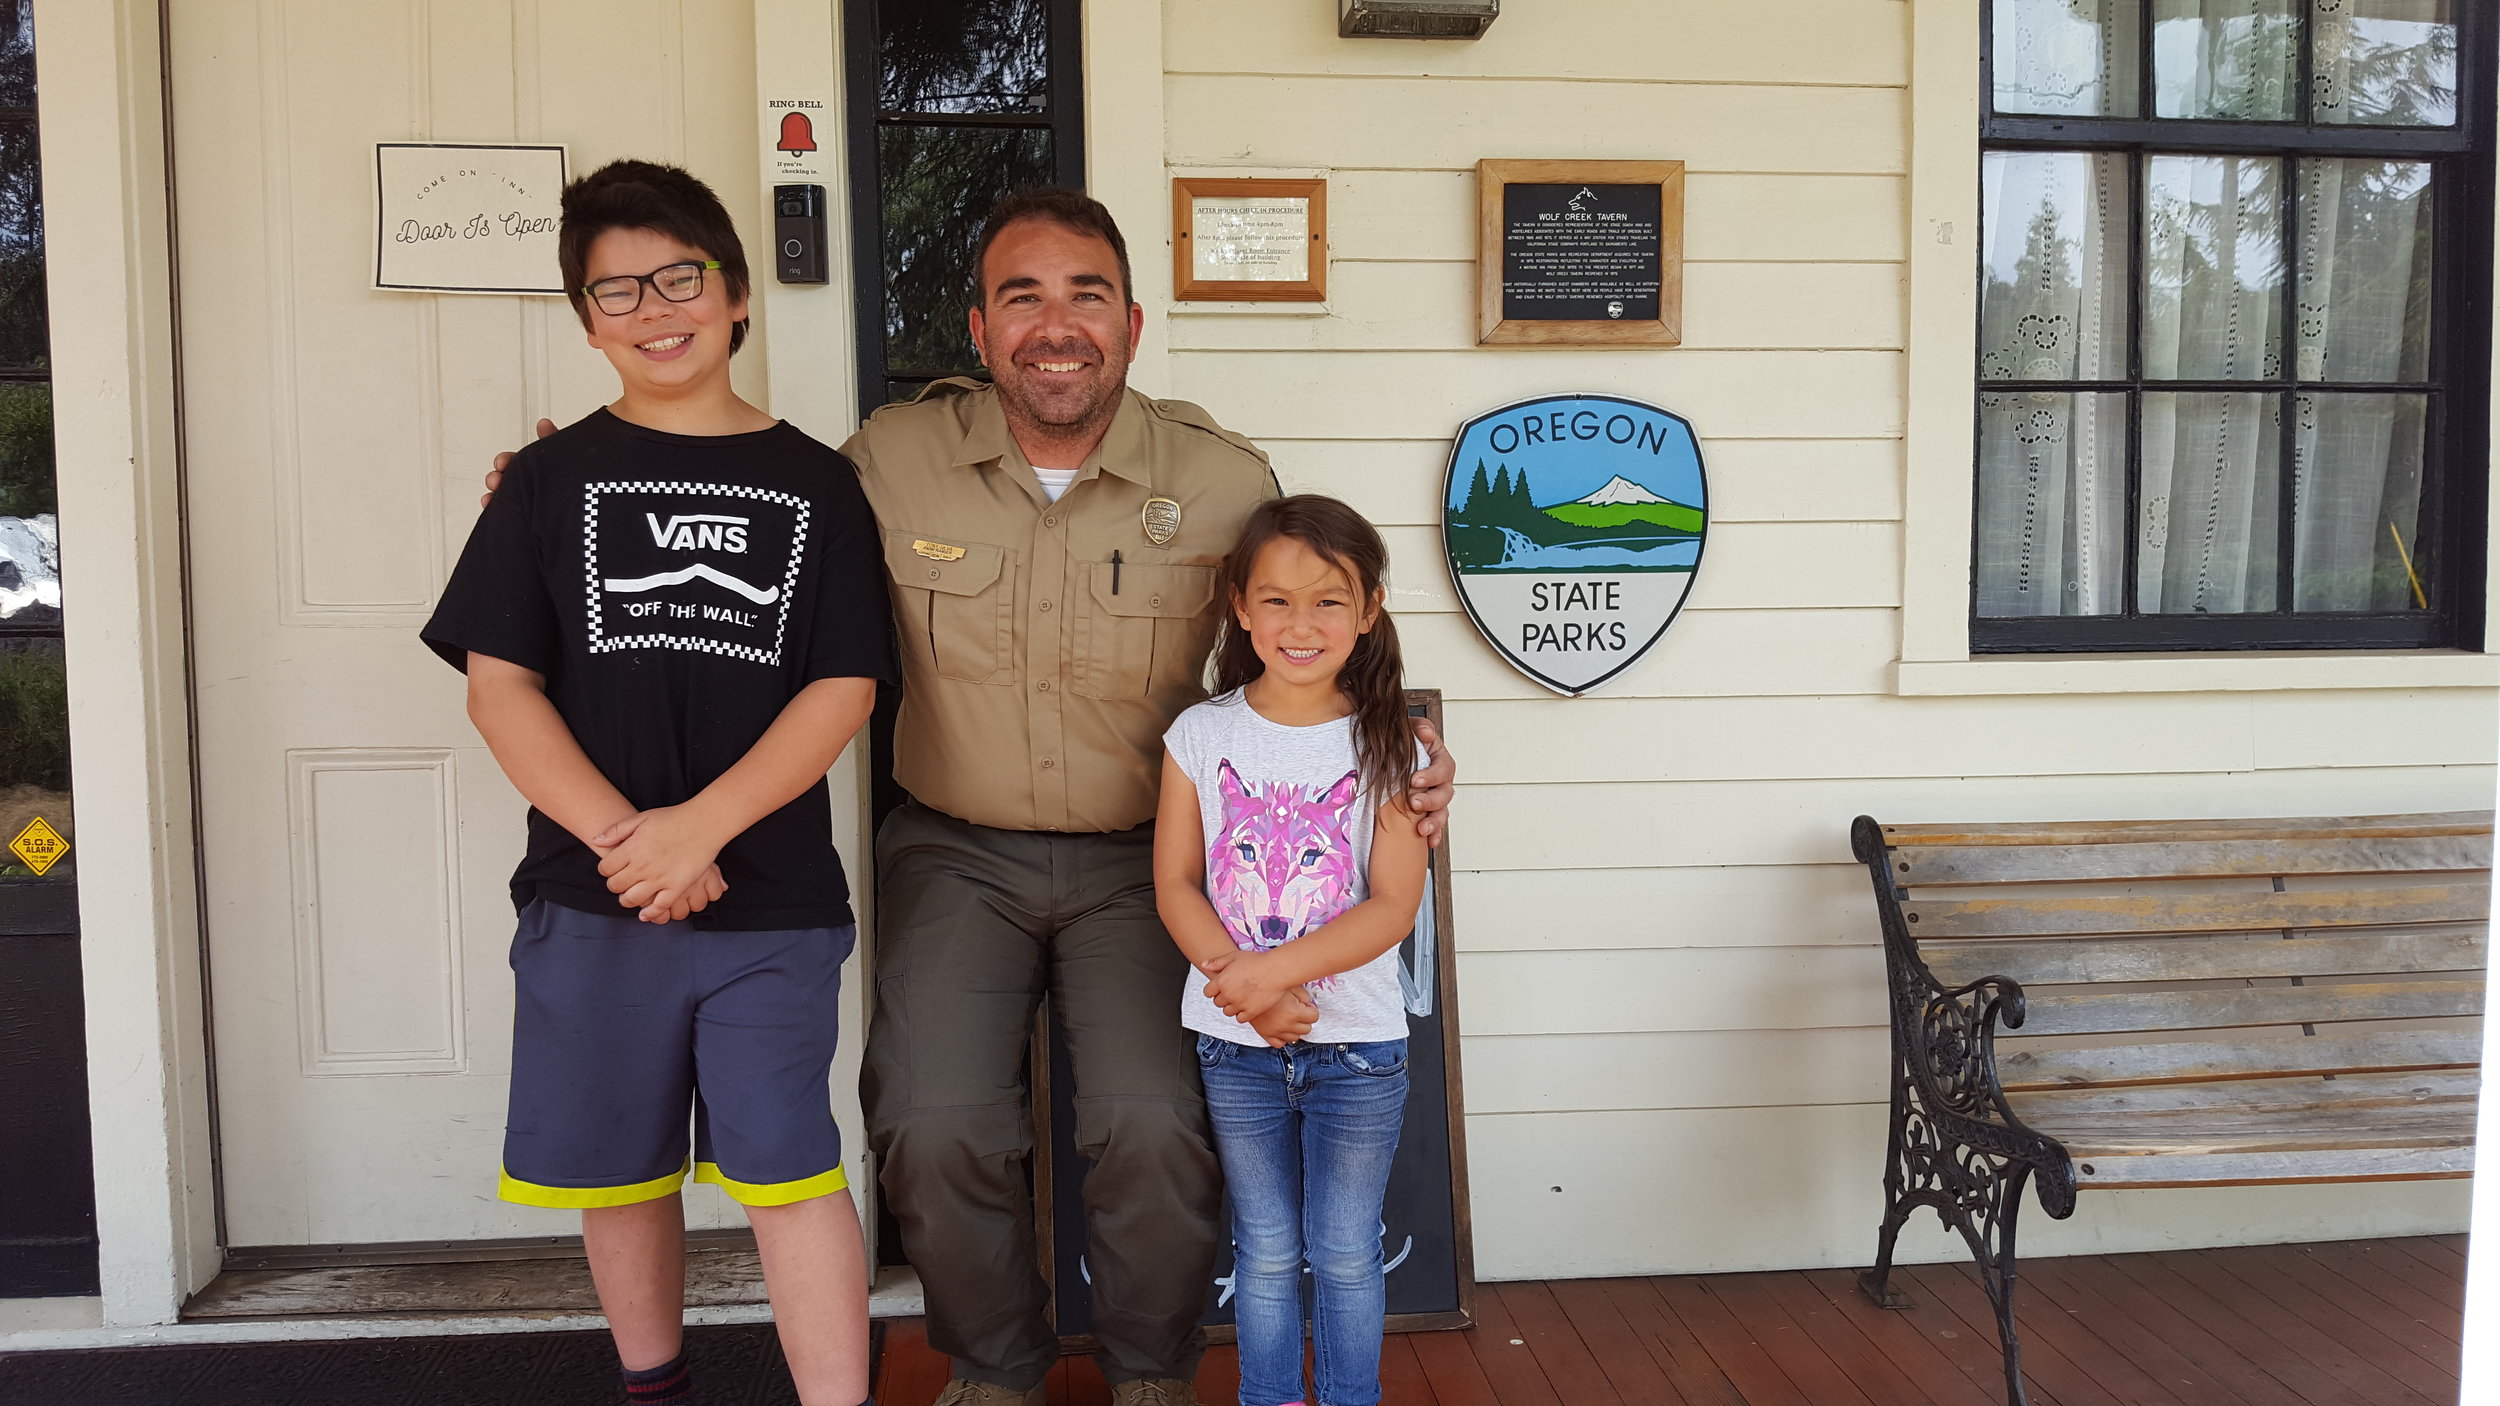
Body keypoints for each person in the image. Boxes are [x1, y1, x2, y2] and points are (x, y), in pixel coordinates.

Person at [488, 187, 1456, 1406]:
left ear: (1133, 322)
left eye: (1085, 295)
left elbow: (1299, 638)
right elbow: (741, 526)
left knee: (1154, 1124)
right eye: (1022, 297)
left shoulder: (1220, 479)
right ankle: (994, 1370)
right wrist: (556, 487)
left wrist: (1405, 758)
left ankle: (1149, 1371)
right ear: (979, 328)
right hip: (954, 850)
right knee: (932, 1119)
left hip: (1143, 868)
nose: (1056, 324)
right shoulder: (883, 460)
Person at [424, 159, 890, 1406]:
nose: (651, 307)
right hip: (594, 894)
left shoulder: (819, 485)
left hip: (771, 900)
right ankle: (654, 1385)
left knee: (790, 1169)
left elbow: (841, 688)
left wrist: (703, 830)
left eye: (678, 277)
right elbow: (498, 686)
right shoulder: (539, 484)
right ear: (585, 320)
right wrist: (632, 841)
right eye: (614, 289)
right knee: (616, 1171)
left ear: (736, 295)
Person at [1154, 496, 1427, 1406]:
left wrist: (1271, 973)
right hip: (1237, 1047)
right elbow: (1177, 884)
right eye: (1276, 600)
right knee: (1264, 1251)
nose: (1300, 625)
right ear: (1238, 605)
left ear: (1371, 609)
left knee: (1346, 1253)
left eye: (1328, 601)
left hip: (1357, 1048)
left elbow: (1391, 906)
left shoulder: (1392, 744)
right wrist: (1250, 998)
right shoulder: (1201, 735)